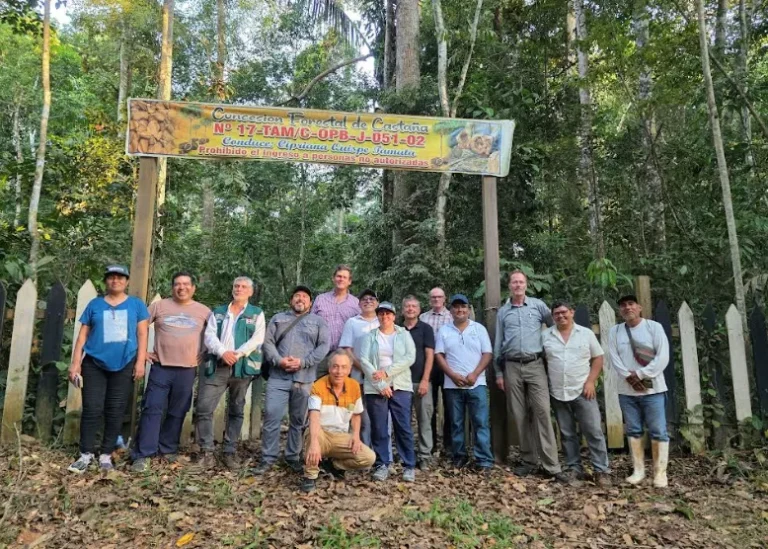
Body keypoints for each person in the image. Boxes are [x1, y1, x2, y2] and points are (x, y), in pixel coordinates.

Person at [67, 265, 149, 473]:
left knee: (115, 411)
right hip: (94, 363)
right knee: (92, 409)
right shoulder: (95, 305)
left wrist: (140, 362)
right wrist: (75, 363)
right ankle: (85, 454)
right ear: (106, 281)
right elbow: (83, 336)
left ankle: (105, 455)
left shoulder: (136, 305)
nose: (116, 281)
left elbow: (142, 335)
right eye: (111, 278)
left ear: (127, 282)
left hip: (124, 363)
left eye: (120, 278)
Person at [131, 271, 211, 473]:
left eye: (186, 284)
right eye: (177, 284)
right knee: (152, 409)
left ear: (193, 288)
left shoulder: (204, 311)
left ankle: (167, 448)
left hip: (187, 370)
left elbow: (217, 337)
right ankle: (143, 454)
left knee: (178, 411)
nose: (181, 287)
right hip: (161, 368)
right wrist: (142, 353)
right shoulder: (159, 306)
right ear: (172, 287)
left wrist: (206, 353)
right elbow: (139, 327)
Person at [494, 270, 566, 482]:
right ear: (509, 286)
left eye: (521, 282)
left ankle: (551, 464)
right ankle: (528, 460)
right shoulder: (503, 312)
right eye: (514, 282)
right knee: (519, 414)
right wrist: (499, 372)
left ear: (526, 285)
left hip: (535, 364)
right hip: (512, 366)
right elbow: (498, 343)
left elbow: (555, 328)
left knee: (542, 411)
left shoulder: (538, 306)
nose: (518, 285)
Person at [252, 285, 330, 475]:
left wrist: (304, 362)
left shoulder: (318, 322)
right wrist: (279, 361)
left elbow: (324, 346)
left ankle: (292, 456)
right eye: (297, 296)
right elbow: (267, 342)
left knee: (298, 420)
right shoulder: (279, 319)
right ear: (291, 300)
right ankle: (268, 458)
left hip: (304, 379)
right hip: (278, 377)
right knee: (272, 416)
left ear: (310, 303)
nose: (300, 299)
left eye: (304, 296)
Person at [195, 277, 265, 470]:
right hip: (217, 365)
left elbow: (257, 339)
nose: (239, 289)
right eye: (236, 286)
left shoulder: (256, 313)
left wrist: (238, 353)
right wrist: (222, 352)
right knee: (204, 407)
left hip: (242, 367)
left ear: (250, 292)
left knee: (236, 409)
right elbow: (209, 336)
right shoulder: (218, 312)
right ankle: (207, 452)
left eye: (243, 287)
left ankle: (229, 452)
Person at [543, 301, 611, 486]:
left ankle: (601, 470)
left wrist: (590, 381)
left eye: (564, 312)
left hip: (583, 391)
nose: (560, 316)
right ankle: (575, 468)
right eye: (556, 313)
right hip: (558, 392)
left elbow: (598, 357)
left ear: (572, 312)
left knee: (594, 431)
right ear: (552, 316)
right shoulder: (546, 336)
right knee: (566, 433)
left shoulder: (585, 334)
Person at [608, 294, 670, 488]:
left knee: (658, 430)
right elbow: (614, 357)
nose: (627, 308)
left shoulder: (654, 327)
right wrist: (628, 376)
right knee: (633, 429)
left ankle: (660, 473)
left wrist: (641, 374)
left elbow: (662, 356)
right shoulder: (615, 331)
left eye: (631, 304)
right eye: (623, 306)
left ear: (639, 307)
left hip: (653, 390)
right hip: (626, 390)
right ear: (620, 311)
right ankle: (638, 470)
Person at [300, 350, 376, 493]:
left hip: (341, 436)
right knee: (312, 435)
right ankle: (310, 475)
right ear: (329, 368)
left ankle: (335, 465)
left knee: (368, 457)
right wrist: (315, 443)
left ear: (349, 369)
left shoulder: (353, 386)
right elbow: (314, 416)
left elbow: (356, 415)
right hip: (321, 433)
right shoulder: (318, 386)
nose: (339, 371)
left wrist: (355, 435)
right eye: (335, 366)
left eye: (343, 367)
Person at [435, 294, 494, 471]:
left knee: (481, 422)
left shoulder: (479, 329)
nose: (460, 310)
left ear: (468, 309)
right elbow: (439, 355)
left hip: (477, 384)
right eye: (456, 307)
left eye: (463, 307)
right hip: (453, 385)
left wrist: (475, 374)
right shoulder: (444, 330)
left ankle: (483, 460)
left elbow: (487, 353)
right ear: (451, 310)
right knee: (456, 423)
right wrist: (452, 375)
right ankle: (459, 456)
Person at [359, 302, 417, 482]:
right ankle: (382, 463)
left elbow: (410, 358)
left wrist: (387, 373)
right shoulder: (370, 336)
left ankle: (408, 465)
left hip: (400, 386)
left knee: (403, 427)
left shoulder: (403, 334)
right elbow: (364, 361)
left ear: (394, 316)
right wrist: (381, 385)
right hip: (375, 388)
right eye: (381, 314)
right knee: (379, 428)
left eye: (388, 314)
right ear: (378, 316)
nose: (385, 317)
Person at [338, 288, 380, 447]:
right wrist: (363, 368)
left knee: (380, 415)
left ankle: (381, 454)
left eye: (372, 299)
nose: (368, 302)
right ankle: (363, 449)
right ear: (359, 303)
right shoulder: (352, 322)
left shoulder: (383, 320)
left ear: (377, 303)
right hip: (358, 376)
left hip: (380, 378)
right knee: (361, 415)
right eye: (364, 299)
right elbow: (346, 348)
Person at [401, 295, 435, 470]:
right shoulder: (397, 330)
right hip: (401, 383)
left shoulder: (426, 329)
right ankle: (406, 454)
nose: (410, 309)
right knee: (403, 422)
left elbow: (430, 356)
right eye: (407, 306)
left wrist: (425, 379)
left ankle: (424, 455)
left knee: (424, 420)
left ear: (419, 310)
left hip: (421, 381)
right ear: (402, 310)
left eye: (414, 306)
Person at [419, 287, 453, 456]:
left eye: (439, 297)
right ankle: (430, 444)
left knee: (449, 406)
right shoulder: (423, 317)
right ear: (429, 299)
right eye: (433, 297)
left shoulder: (452, 316)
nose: (436, 299)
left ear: (444, 299)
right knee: (429, 407)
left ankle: (448, 446)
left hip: (448, 366)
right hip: (429, 366)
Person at [311, 265, 361, 377]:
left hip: (345, 356)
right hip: (321, 354)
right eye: (339, 276)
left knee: (342, 391)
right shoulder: (320, 299)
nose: (341, 279)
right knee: (319, 389)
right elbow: (311, 325)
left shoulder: (356, 303)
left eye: (344, 277)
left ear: (349, 281)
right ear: (333, 278)